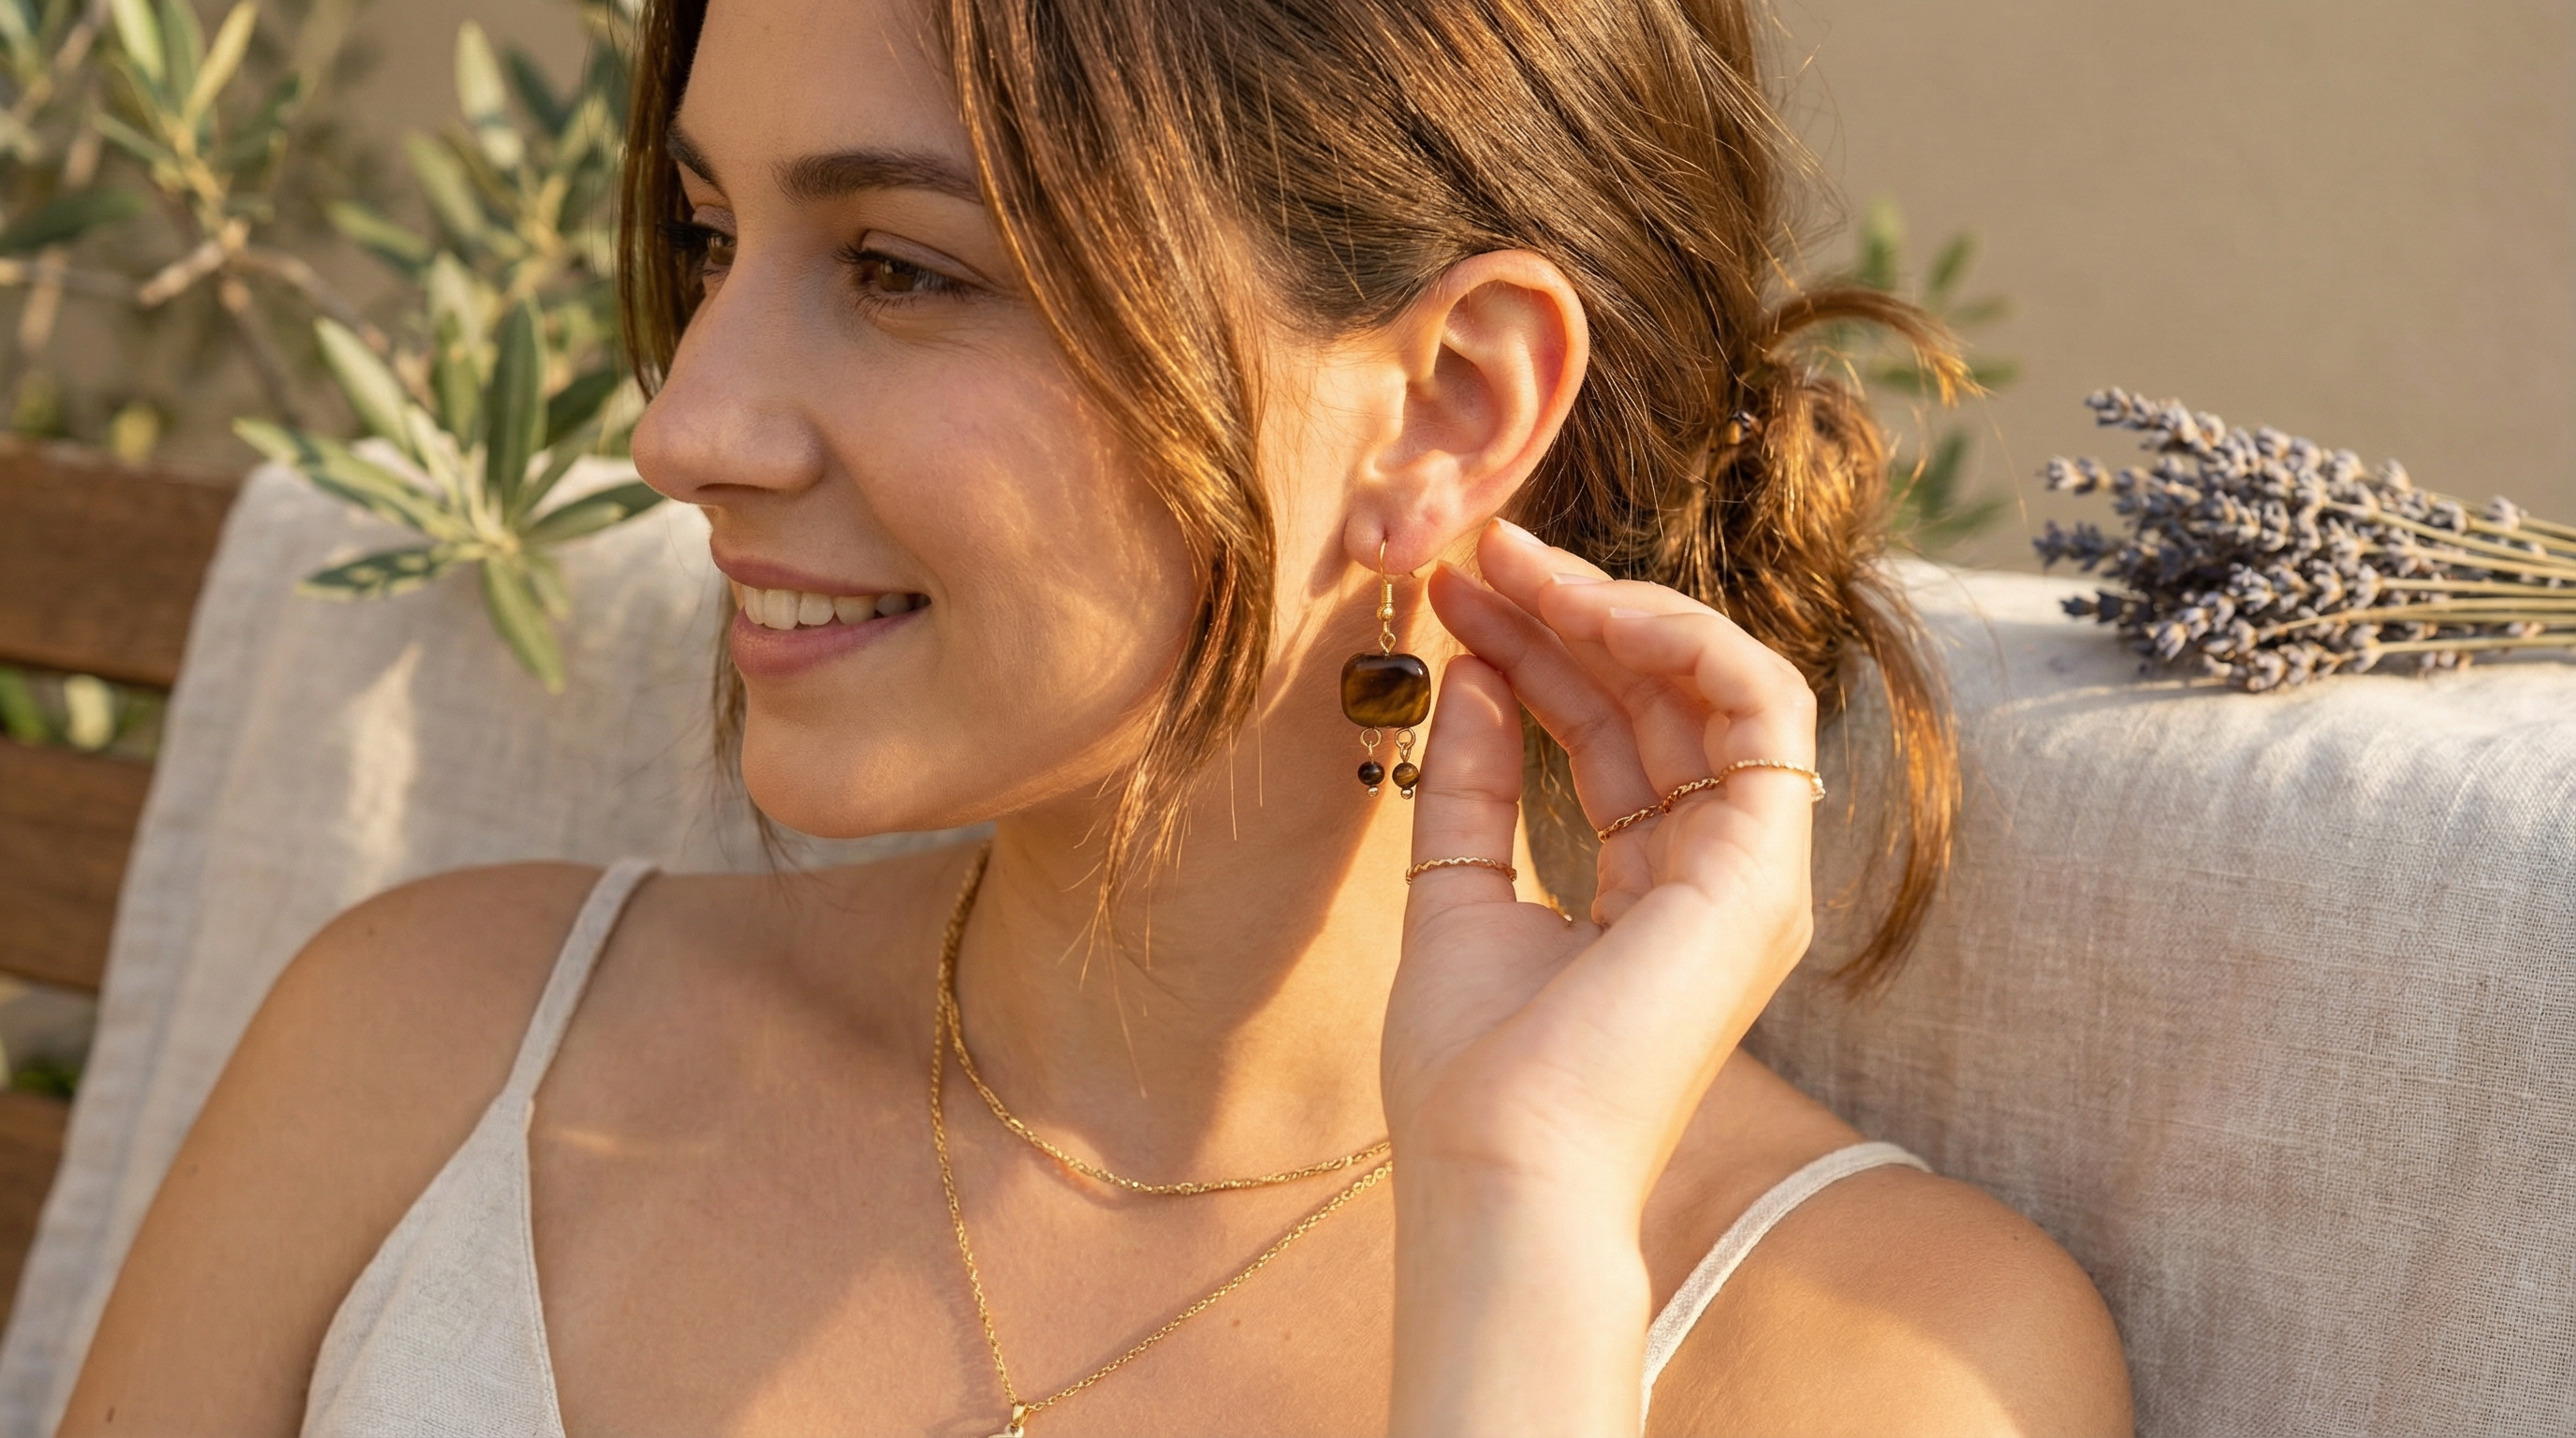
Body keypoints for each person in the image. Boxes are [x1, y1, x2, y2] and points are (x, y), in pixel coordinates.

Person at [65, 0, 2132, 1431]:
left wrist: (1513, 1238)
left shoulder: (1878, 1369)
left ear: (1444, 407)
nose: (679, 423)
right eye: (708, 237)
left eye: (899, 268)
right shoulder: (433, 1050)